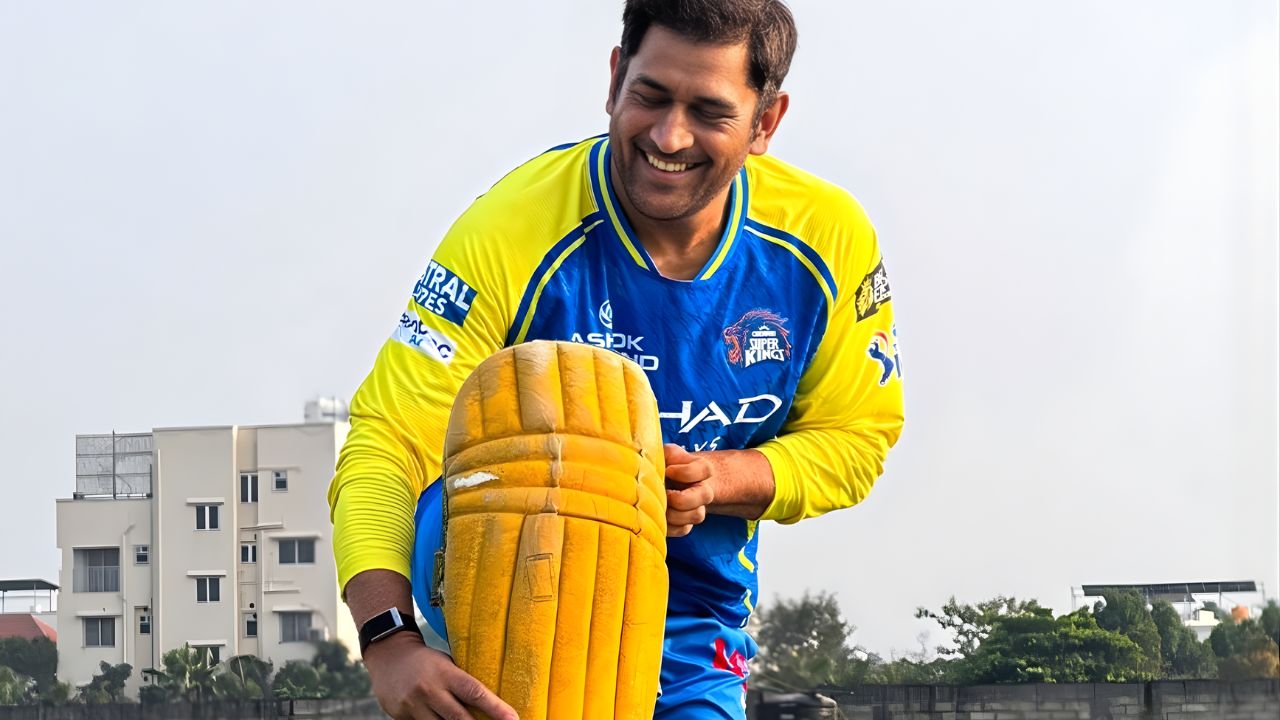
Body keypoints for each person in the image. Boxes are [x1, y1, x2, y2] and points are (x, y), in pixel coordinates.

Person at [326, 1, 904, 718]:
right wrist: (388, 640)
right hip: (510, 632)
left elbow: (858, 435)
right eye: (650, 96)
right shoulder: (512, 229)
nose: (669, 136)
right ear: (613, 80)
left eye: (710, 112)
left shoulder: (828, 240)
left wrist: (722, 478)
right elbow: (388, 440)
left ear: (765, 123)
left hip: (692, 629)